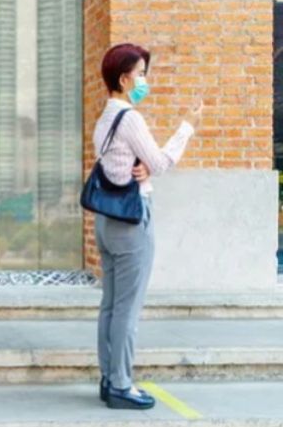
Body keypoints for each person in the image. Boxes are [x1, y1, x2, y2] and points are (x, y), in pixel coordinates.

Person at [93, 43, 203, 410]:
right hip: (131, 219)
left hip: (106, 220)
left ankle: (109, 378)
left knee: (110, 305)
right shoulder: (130, 118)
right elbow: (160, 161)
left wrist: (143, 165)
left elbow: (122, 166)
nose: (144, 80)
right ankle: (123, 384)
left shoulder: (104, 119)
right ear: (124, 79)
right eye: (140, 74)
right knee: (127, 307)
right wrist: (186, 127)